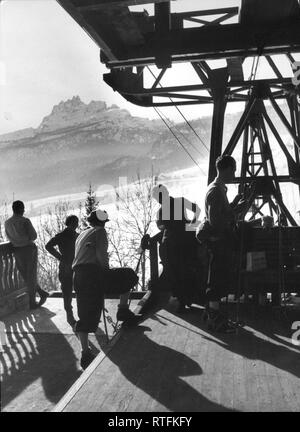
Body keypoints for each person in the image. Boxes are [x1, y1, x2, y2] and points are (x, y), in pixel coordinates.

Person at [72, 209, 139, 370]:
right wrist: (107, 272)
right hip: (93, 274)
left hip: (78, 276)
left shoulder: (82, 234)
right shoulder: (100, 231)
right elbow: (101, 255)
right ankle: (122, 310)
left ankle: (85, 352)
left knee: (85, 312)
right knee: (128, 275)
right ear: (103, 222)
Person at [204, 155, 248, 332]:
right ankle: (216, 321)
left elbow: (220, 213)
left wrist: (234, 204)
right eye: (234, 169)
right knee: (217, 281)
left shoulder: (218, 189)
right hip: (219, 242)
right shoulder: (216, 191)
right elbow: (216, 221)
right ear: (227, 169)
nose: (235, 173)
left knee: (218, 280)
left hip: (221, 242)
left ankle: (214, 316)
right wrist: (236, 211)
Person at [152, 184, 201, 313]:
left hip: (171, 243)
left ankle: (182, 300)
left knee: (175, 272)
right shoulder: (180, 201)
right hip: (185, 240)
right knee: (186, 269)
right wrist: (191, 224)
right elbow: (197, 210)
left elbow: (161, 227)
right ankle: (188, 298)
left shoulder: (161, 211)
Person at [5, 200, 49, 309]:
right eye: (23, 208)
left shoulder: (7, 223)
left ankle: (40, 295)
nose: (24, 210)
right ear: (21, 209)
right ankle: (33, 301)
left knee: (25, 275)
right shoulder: (25, 221)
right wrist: (26, 239)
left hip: (17, 251)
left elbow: (8, 236)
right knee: (31, 275)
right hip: (29, 250)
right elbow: (34, 236)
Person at [45, 215, 79, 326]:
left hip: (71, 266)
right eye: (75, 222)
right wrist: (60, 257)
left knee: (74, 291)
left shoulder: (75, 236)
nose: (76, 224)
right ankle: (71, 316)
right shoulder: (66, 236)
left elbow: (48, 246)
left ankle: (78, 315)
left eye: (77, 222)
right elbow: (48, 246)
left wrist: (61, 258)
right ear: (69, 223)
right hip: (68, 267)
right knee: (70, 291)